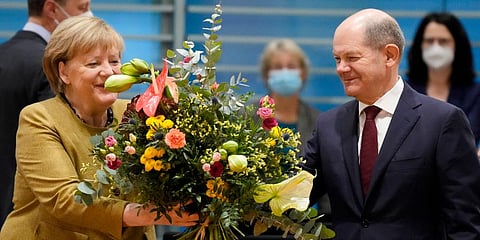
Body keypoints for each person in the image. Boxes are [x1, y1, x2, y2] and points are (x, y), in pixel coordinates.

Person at [0, 16, 198, 240]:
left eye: (114, 61)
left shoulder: (138, 113)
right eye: (93, 64)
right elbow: (65, 199)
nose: (108, 71)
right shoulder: (39, 118)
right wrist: (150, 213)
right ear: (63, 72)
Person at [301, 8, 480, 240]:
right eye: (337, 59)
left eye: (352, 58)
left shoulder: (443, 121)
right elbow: (291, 194)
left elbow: (464, 225)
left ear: (389, 56)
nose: (341, 68)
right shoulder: (328, 124)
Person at [0, 0, 93, 228]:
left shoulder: (4, 53)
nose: (89, 15)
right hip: (33, 207)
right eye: (82, 8)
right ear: (52, 9)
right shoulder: (52, 67)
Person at [406, 12, 480, 155]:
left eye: (443, 41)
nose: (436, 48)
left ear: (457, 45)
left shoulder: (476, 93)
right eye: (429, 41)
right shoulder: (405, 90)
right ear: (420, 45)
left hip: (462, 173)